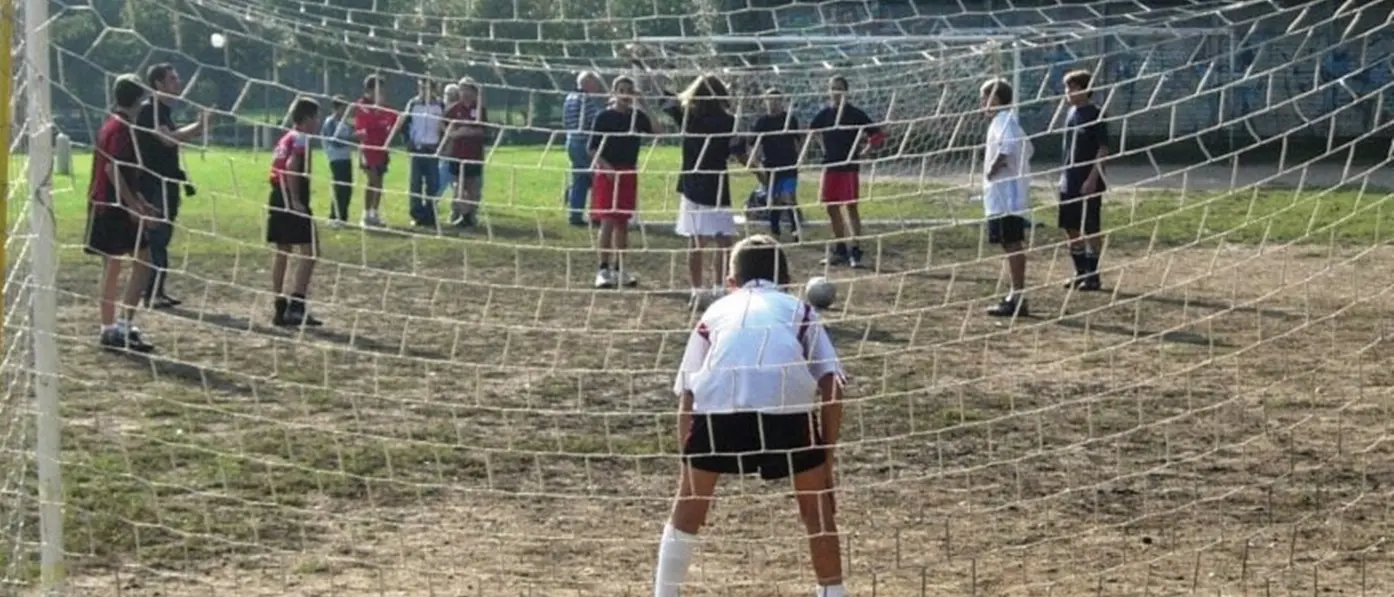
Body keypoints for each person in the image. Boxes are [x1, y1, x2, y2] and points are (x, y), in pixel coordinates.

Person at [655, 234, 847, 597]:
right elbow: (833, 384)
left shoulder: (714, 312)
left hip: (719, 407)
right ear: (787, 281)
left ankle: (664, 594)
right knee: (816, 509)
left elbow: (687, 393)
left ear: (731, 283)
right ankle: (834, 592)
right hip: (785, 409)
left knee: (688, 507)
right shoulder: (800, 309)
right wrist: (826, 463)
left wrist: (689, 467)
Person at [87, 74, 160, 352]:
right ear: (140, 99)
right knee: (125, 263)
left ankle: (117, 326)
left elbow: (125, 173)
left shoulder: (113, 124)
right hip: (111, 207)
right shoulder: (120, 129)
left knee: (135, 261)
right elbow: (112, 169)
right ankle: (115, 328)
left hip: (111, 204)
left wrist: (141, 202)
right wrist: (132, 207)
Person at [661, 74, 748, 306]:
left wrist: (644, 69)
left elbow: (663, 96)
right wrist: (759, 171)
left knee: (697, 240)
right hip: (714, 184)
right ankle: (718, 289)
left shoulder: (688, 117)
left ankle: (698, 290)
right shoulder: (727, 121)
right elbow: (739, 153)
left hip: (693, 183)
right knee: (722, 241)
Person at [134, 63, 208, 309]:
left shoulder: (164, 110)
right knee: (155, 238)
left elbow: (173, 137)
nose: (179, 83)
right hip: (154, 184)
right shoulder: (149, 110)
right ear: (158, 83)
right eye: (173, 79)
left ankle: (157, 290)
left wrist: (199, 127)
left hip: (167, 183)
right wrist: (197, 127)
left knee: (162, 238)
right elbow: (166, 139)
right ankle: (151, 293)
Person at [588, 75, 661, 289]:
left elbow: (658, 132)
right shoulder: (603, 117)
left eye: (629, 90)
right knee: (608, 221)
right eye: (621, 89)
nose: (625, 94)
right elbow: (592, 149)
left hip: (628, 172)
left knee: (623, 223)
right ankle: (603, 270)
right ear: (613, 92)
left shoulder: (637, 116)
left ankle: (620, 269)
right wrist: (606, 166)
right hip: (608, 173)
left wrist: (644, 103)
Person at [809, 75, 885, 269]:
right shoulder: (825, 114)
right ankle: (840, 249)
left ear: (846, 92)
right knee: (831, 208)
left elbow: (877, 134)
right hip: (830, 165)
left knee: (851, 206)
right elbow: (811, 131)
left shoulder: (855, 114)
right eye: (833, 88)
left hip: (849, 167)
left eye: (839, 88)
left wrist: (864, 152)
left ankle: (855, 250)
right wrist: (822, 146)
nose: (836, 92)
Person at [267, 97, 325, 327]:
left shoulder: (285, 137)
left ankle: (279, 306)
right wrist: (295, 200)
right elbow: (292, 166)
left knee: (283, 251)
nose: (317, 122)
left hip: (276, 195)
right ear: (308, 118)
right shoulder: (301, 139)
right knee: (310, 251)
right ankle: (297, 305)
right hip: (291, 196)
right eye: (316, 117)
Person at [980, 79, 1034, 318]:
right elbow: (1028, 149)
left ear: (995, 98)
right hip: (1001, 197)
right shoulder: (1001, 122)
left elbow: (1009, 147)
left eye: (984, 97)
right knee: (1007, 244)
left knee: (1012, 244)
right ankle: (1015, 294)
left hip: (1008, 197)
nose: (981, 102)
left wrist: (993, 168)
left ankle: (1018, 296)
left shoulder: (1006, 121)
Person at [1058, 69, 1110, 291]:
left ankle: (1093, 274)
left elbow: (1103, 149)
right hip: (1069, 180)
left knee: (1090, 227)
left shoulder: (1095, 113)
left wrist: (1092, 178)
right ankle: (1080, 272)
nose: (1067, 92)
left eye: (1072, 88)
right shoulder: (1071, 113)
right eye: (1067, 88)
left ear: (1084, 89)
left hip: (1088, 181)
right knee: (1070, 227)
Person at [749, 88, 807, 242]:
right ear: (765, 102)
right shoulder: (762, 122)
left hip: (789, 165)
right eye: (769, 100)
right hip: (771, 166)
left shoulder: (789, 119)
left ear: (781, 102)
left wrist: (801, 157)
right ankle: (775, 232)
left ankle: (795, 230)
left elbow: (798, 141)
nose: (773, 103)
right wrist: (755, 162)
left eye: (776, 100)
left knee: (789, 197)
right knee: (774, 200)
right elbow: (754, 144)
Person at [443, 79, 489, 228]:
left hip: (474, 154)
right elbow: (443, 126)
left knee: (472, 187)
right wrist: (455, 134)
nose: (465, 93)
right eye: (462, 90)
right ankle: (460, 214)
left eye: (468, 90)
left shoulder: (479, 109)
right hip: (457, 154)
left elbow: (483, 130)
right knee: (458, 186)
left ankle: (469, 217)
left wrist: (469, 132)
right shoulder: (454, 109)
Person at [564, 72, 607, 227]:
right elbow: (595, 119)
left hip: (571, 141)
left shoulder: (569, 97)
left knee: (579, 179)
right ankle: (596, 215)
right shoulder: (586, 100)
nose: (598, 87)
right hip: (585, 143)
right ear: (588, 84)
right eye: (595, 83)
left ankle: (574, 214)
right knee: (597, 178)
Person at [354, 74, 398, 228]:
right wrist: (379, 112)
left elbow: (395, 118)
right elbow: (367, 122)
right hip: (368, 150)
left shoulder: (384, 106)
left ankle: (374, 213)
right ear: (370, 90)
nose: (382, 93)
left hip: (381, 150)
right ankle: (366, 214)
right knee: (373, 181)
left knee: (380, 182)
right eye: (379, 89)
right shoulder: (362, 105)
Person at [403, 79, 446, 227]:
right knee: (415, 183)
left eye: (426, 88)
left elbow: (445, 126)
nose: (423, 91)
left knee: (433, 184)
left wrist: (441, 144)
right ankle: (417, 215)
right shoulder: (413, 104)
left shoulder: (440, 105)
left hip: (433, 149)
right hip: (417, 148)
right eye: (421, 87)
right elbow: (405, 124)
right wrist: (408, 142)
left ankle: (430, 215)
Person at [322, 95, 357, 228]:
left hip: (346, 158)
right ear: (336, 108)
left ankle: (343, 217)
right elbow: (335, 142)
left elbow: (352, 134)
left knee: (347, 188)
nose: (345, 112)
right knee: (339, 187)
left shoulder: (345, 123)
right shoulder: (330, 122)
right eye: (343, 108)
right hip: (336, 159)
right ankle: (334, 217)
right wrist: (352, 138)